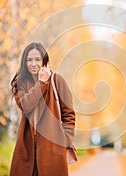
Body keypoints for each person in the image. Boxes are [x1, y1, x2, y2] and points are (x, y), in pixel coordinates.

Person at [10, 42, 76, 176]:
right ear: (24, 62)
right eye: (29, 60)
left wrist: (65, 141)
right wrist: (41, 84)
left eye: (37, 59)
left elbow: (68, 114)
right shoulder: (21, 83)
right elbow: (26, 105)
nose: (33, 64)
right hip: (26, 149)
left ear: (44, 61)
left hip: (52, 149)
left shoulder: (57, 81)